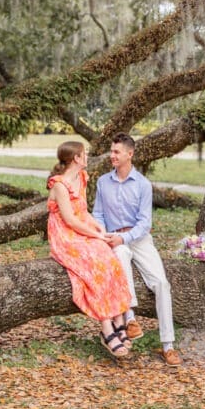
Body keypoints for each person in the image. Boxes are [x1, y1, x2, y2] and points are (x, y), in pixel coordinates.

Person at [92, 132, 182, 366]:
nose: (112, 155)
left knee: (161, 284)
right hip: (114, 238)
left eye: (116, 152)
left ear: (129, 154)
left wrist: (126, 238)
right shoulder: (103, 182)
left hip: (139, 238)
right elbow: (98, 213)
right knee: (121, 255)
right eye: (111, 151)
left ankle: (168, 345)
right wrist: (104, 234)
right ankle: (130, 319)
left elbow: (145, 223)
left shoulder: (143, 184)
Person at [47, 140, 133, 360]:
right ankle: (106, 328)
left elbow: (83, 213)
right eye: (84, 154)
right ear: (76, 158)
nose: (87, 156)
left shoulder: (82, 178)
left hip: (82, 230)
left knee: (107, 256)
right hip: (65, 236)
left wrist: (100, 229)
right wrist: (94, 235)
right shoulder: (59, 184)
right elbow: (70, 221)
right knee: (92, 263)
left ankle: (119, 319)